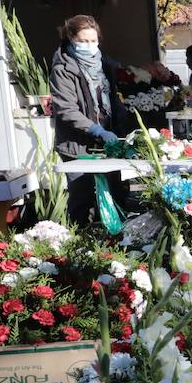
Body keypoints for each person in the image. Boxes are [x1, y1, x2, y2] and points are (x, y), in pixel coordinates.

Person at [49, 14, 127, 226]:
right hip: (77, 147)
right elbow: (66, 109)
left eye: (93, 41)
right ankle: (80, 246)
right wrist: (97, 130)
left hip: (106, 145)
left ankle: (115, 244)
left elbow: (111, 99)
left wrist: (121, 121)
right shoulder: (63, 69)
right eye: (83, 41)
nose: (89, 46)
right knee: (82, 200)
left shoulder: (104, 66)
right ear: (71, 39)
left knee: (115, 196)